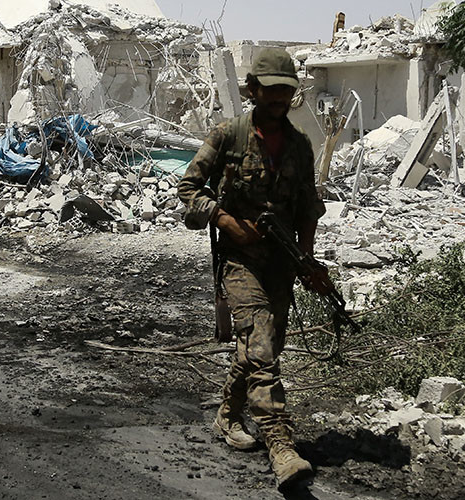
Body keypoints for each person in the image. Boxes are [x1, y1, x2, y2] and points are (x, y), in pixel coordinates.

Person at [177, 48, 332, 489]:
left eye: (287, 88)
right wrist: (226, 221)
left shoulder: (300, 145)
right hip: (240, 261)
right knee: (261, 347)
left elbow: (308, 207)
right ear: (253, 89)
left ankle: (228, 415)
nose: (280, 96)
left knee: (260, 350)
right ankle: (281, 447)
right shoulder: (228, 135)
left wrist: (306, 258)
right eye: (272, 88)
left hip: (281, 263)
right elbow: (189, 187)